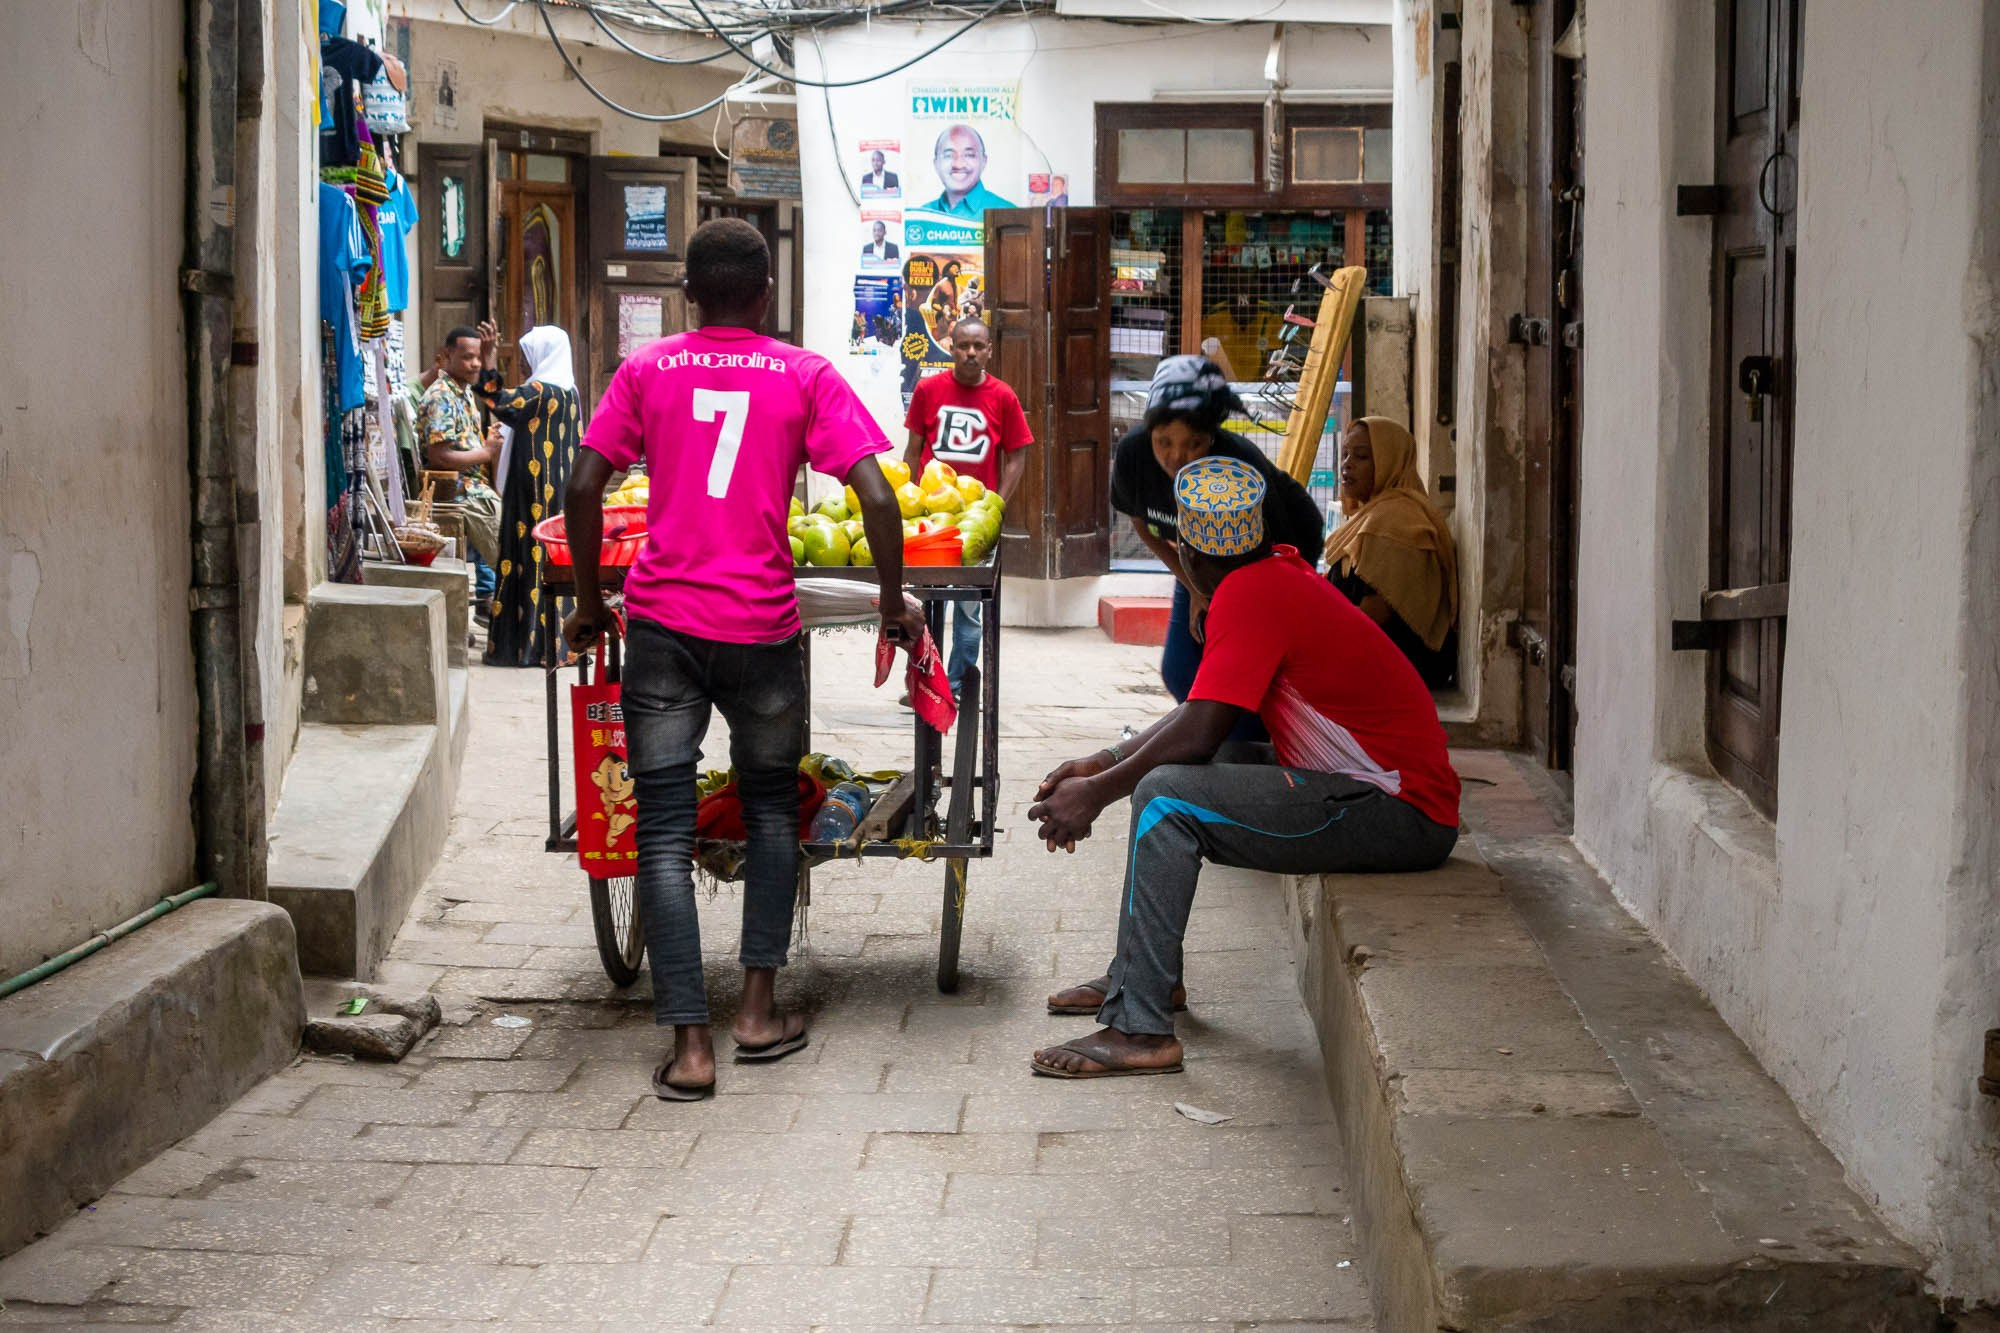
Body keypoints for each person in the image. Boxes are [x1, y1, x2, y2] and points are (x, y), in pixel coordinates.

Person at [562, 218, 925, 1101]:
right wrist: (888, 600)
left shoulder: (646, 370)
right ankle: (758, 1012)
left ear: (691, 294)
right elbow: (876, 491)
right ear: (766, 295)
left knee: (662, 825)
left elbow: (582, 486)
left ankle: (691, 1046)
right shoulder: (802, 373)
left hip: (662, 627)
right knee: (769, 808)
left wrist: (584, 604)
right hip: (762, 629)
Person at [1029, 457, 1461, 1076]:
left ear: (1191, 554)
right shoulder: (1271, 573)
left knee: (1166, 797)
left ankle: (1141, 1030)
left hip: (1398, 812)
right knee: (1180, 777)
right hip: (1386, 800)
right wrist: (1103, 761)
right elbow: (1202, 714)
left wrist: (1096, 793)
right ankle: (1144, 978)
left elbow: (1197, 733)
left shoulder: (1250, 593)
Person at [1109, 355, 1325, 711]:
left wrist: (1228, 604)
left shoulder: (1237, 465)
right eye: (1164, 441)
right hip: (1200, 561)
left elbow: (1274, 559)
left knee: (1251, 680)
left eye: (1193, 444)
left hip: (1273, 562)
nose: (1176, 456)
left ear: (1212, 437)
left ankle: (1244, 752)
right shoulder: (1134, 454)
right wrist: (1194, 587)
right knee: (1180, 672)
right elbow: (1140, 524)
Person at [902, 317, 1032, 698]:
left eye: (978, 346)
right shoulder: (928, 389)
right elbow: (912, 451)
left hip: (975, 523)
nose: (971, 353)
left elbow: (1016, 459)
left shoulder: (1004, 396)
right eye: (963, 346)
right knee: (924, 606)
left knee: (970, 611)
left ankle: (954, 684)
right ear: (951, 347)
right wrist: (910, 502)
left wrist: (995, 507)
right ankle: (924, 684)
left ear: (989, 349)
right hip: (930, 521)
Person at [1323, 417, 1460, 689]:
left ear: (1390, 462)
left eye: (1361, 456)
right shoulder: (1374, 513)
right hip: (1378, 658)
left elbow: (1374, 615)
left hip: (1402, 667)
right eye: (1346, 454)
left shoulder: (1394, 519)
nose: (1346, 464)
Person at [474, 325, 579, 668]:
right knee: (551, 564)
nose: (523, 362)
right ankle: (555, 644)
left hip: (531, 492)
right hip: (559, 493)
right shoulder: (570, 393)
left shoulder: (539, 391)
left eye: (526, 356)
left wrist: (488, 357)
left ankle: (524, 645)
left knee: (526, 560)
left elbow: (497, 401)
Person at [418, 324, 504, 612]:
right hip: (458, 492)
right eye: (468, 357)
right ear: (447, 355)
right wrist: (486, 452)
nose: (475, 363)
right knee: (509, 553)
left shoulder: (464, 392)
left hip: (474, 488)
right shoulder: (440, 396)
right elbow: (439, 455)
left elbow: (494, 395)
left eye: (478, 356)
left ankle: (501, 605)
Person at [919, 125, 1016, 216]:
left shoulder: (1007, 213)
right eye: (948, 155)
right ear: (936, 164)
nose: (958, 164)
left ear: (984, 161)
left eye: (969, 155)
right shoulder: (922, 216)